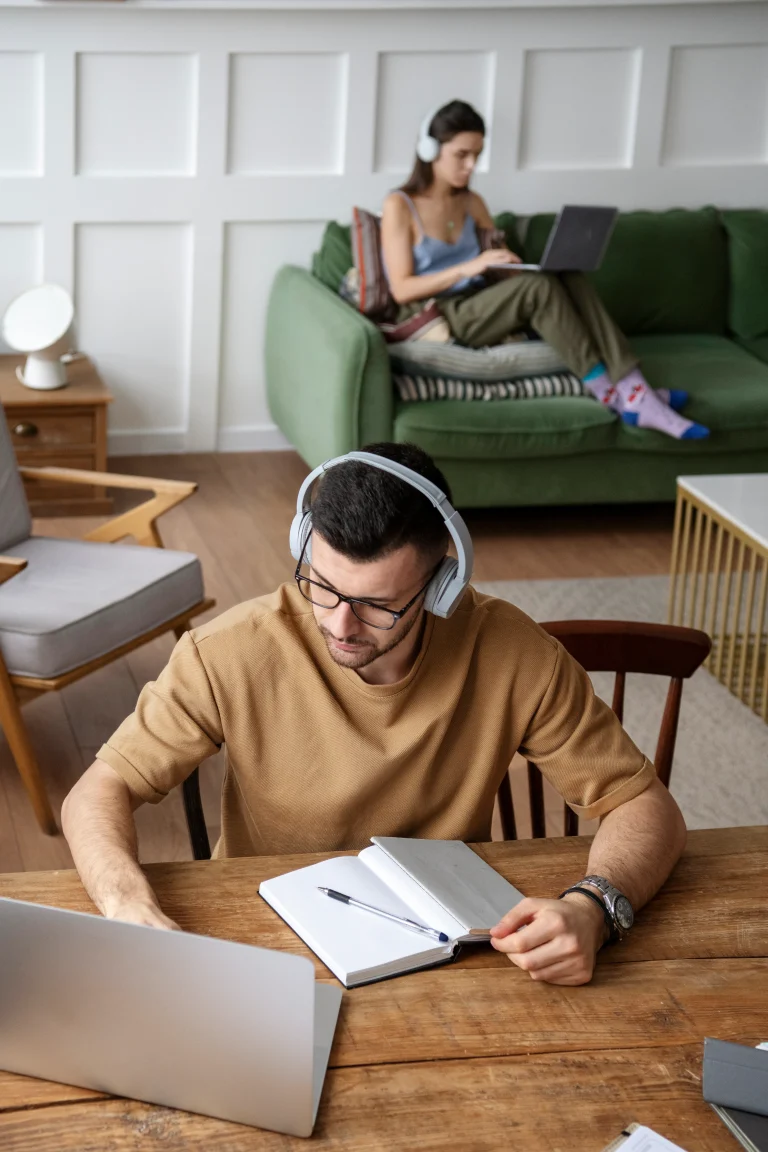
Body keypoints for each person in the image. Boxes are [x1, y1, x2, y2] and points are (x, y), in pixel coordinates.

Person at [62, 443, 687, 987]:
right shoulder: (228, 650)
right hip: (266, 935)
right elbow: (97, 790)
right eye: (323, 587)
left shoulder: (513, 653)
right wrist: (126, 905)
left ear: (440, 584)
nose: (339, 624)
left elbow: (643, 804)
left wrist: (596, 906)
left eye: (376, 605)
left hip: (450, 945)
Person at [380, 100, 708, 441]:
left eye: (477, 154)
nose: (471, 165)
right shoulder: (399, 205)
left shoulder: (472, 202)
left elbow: (496, 261)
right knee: (538, 290)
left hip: (486, 299)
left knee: (567, 275)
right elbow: (401, 289)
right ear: (430, 148)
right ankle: (611, 394)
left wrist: (510, 263)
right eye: (461, 154)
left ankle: (634, 388)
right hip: (447, 312)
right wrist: (470, 267)